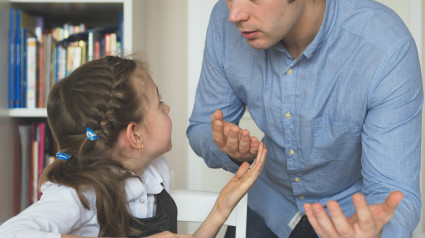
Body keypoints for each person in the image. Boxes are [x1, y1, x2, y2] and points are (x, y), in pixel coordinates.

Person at [186, 0, 423, 237]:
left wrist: (375, 231)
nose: (234, 14)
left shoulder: (385, 46)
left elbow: (393, 191)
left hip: (347, 220)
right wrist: (229, 150)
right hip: (267, 207)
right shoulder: (223, 23)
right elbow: (200, 128)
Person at [0, 56, 267, 238]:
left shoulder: (154, 175)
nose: (167, 108)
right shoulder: (79, 192)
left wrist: (220, 209)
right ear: (135, 135)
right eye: (159, 102)